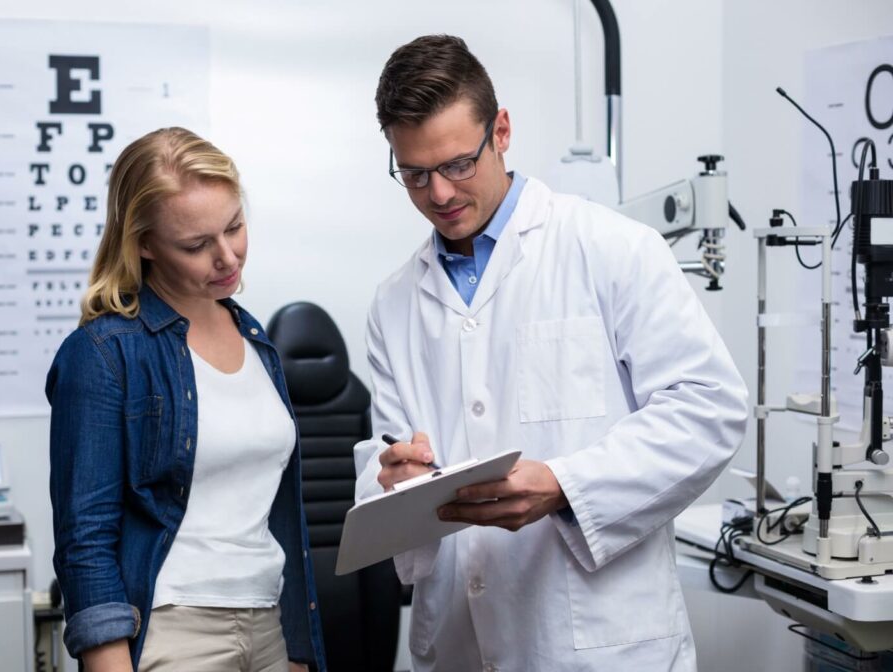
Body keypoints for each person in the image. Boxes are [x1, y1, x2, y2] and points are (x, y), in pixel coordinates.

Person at [353, 35, 748, 671]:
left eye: (458, 164)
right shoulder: (394, 301)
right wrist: (392, 479)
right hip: (457, 642)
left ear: (501, 131)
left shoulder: (613, 247)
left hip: (599, 644)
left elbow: (709, 408)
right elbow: (387, 457)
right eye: (415, 174)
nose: (440, 194)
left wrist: (566, 485)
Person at [47, 127, 326, 672]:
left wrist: (296, 647)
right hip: (172, 631)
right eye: (197, 245)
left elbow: (273, 511)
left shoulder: (255, 339)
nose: (227, 257)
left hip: (269, 620)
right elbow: (85, 537)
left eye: (235, 227)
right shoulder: (103, 353)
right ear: (144, 243)